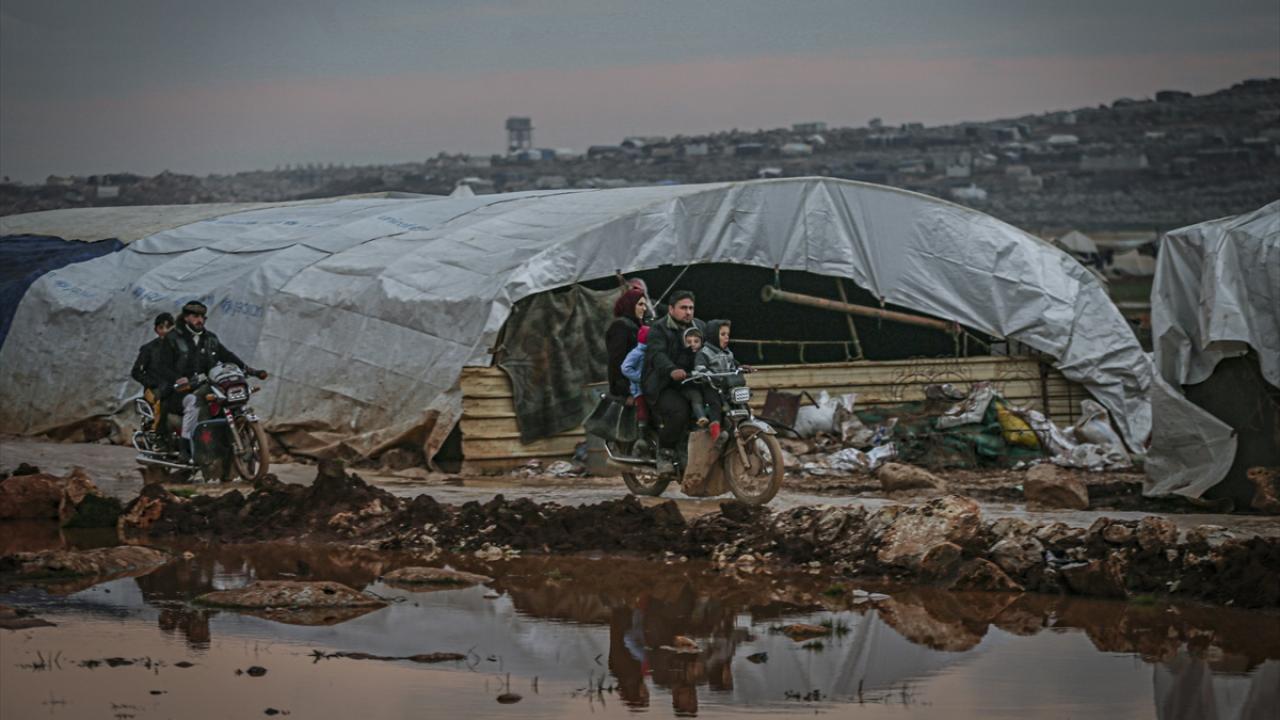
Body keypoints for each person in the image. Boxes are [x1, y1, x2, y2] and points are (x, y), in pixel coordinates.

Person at [153, 300, 266, 460]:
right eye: (195, 316)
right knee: (193, 403)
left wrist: (251, 370)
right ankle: (186, 446)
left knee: (226, 399)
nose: (200, 320)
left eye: (202, 317)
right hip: (179, 391)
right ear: (186, 318)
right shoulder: (172, 338)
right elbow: (162, 366)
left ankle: (224, 443)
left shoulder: (210, 338)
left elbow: (227, 355)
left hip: (206, 386)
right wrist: (178, 379)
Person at [642, 290, 705, 474]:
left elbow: (713, 348)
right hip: (662, 384)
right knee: (680, 411)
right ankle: (665, 452)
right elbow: (657, 354)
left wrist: (733, 363)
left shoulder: (700, 326)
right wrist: (671, 370)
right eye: (683, 308)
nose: (688, 312)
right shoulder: (659, 329)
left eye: (691, 308)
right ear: (671, 309)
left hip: (691, 381)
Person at [131, 312, 175, 431]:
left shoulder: (180, 348)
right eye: (161, 327)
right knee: (161, 405)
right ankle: (156, 432)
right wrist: (152, 383)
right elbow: (136, 372)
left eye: (168, 327)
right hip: (154, 389)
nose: (165, 331)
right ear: (156, 330)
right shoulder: (149, 349)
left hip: (174, 387)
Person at [606, 286, 649, 399]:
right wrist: (626, 391)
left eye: (645, 305)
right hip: (629, 388)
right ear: (630, 305)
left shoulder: (636, 325)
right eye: (640, 304)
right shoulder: (621, 326)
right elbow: (617, 361)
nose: (644, 308)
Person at [620, 325, 651, 433]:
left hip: (649, 387)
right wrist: (640, 378)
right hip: (639, 389)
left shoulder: (649, 352)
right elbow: (625, 368)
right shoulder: (637, 353)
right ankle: (640, 433)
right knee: (642, 411)